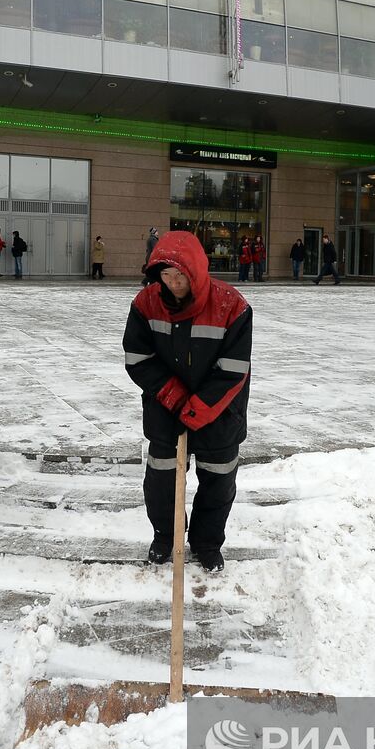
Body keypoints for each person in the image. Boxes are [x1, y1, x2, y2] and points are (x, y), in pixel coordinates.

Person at [123, 231, 252, 573]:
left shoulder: (232, 305)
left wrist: (197, 408)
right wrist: (175, 398)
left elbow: (234, 368)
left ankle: (207, 543)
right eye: (166, 275)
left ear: (196, 272)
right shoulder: (145, 303)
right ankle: (166, 536)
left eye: (180, 275)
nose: (174, 283)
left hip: (219, 412)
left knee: (218, 479)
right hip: (166, 409)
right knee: (162, 479)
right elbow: (138, 357)